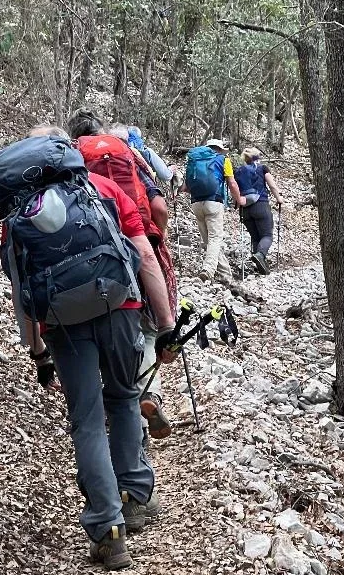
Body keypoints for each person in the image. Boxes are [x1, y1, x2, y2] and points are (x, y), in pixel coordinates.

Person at [0, 127, 176, 572]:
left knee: (88, 420)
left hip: (61, 324)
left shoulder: (20, 211)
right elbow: (146, 257)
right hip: (120, 307)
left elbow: (22, 290)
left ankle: (107, 530)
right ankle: (133, 495)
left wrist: (37, 350)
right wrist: (166, 322)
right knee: (125, 398)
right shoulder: (106, 189)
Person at [67, 110, 177, 442]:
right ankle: (145, 395)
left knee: (99, 331)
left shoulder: (70, 158)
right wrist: (158, 236)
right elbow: (159, 209)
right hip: (138, 247)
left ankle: (112, 408)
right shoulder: (128, 154)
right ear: (101, 130)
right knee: (145, 331)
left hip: (87, 256)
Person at [184, 138, 245, 285]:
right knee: (215, 239)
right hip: (214, 202)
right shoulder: (223, 160)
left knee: (209, 241)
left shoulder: (194, 160)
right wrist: (239, 199)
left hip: (196, 203)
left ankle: (226, 275)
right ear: (219, 149)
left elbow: (186, 187)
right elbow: (231, 182)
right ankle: (208, 271)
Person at [233, 147, 283, 274]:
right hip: (261, 205)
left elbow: (234, 190)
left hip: (245, 209)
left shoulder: (238, 171)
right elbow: (271, 185)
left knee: (255, 238)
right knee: (267, 235)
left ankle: (259, 267)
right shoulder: (262, 168)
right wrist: (279, 198)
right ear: (257, 158)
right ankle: (260, 255)